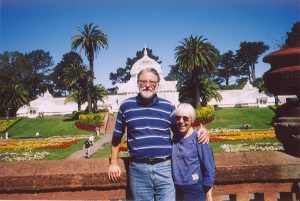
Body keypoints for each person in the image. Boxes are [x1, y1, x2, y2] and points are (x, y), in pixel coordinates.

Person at [108, 67, 210, 201]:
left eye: (152, 82)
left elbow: (182, 131)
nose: (147, 85)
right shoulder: (126, 106)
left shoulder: (168, 107)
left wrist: (200, 132)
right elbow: (116, 136)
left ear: (157, 85)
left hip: (165, 167)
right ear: (138, 83)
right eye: (143, 81)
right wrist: (114, 163)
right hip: (138, 169)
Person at [172, 103, 215, 201]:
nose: (181, 121)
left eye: (186, 118)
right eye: (178, 118)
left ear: (192, 120)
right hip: (175, 189)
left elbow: (209, 166)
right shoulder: (174, 137)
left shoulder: (199, 138)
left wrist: (208, 193)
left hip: (194, 189)